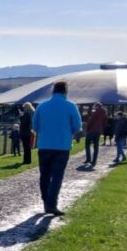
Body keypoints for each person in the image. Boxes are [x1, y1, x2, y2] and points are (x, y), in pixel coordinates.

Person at [32, 81, 82, 216]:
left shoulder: (42, 106)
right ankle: (52, 204)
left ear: (53, 91)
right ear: (65, 91)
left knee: (44, 176)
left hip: (44, 146)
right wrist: (67, 131)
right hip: (62, 146)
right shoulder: (71, 106)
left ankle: (45, 201)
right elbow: (78, 127)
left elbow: (35, 127)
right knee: (57, 176)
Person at [84, 102, 107, 167]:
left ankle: (88, 159)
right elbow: (105, 122)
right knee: (96, 146)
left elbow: (91, 121)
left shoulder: (95, 112)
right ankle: (94, 161)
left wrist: (88, 128)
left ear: (97, 106)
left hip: (92, 130)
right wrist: (101, 128)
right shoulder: (104, 113)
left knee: (87, 144)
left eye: (95, 106)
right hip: (98, 131)